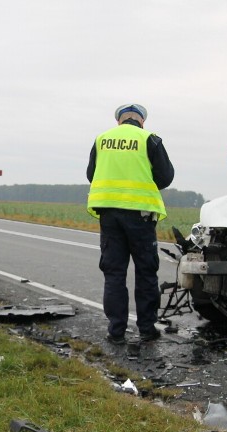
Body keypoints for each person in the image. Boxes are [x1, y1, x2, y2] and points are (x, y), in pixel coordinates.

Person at [86, 103, 175, 344]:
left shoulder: (102, 139)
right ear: (141, 121)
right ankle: (146, 329)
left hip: (109, 214)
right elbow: (165, 177)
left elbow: (91, 174)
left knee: (114, 273)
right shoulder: (150, 139)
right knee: (146, 272)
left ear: (119, 121)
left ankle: (116, 332)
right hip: (140, 215)